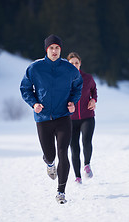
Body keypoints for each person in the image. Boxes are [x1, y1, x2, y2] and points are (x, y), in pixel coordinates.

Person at [20, 35, 83, 204]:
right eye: (51, 48)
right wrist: (34, 104)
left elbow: (78, 87)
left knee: (63, 153)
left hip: (63, 117)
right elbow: (25, 88)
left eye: (57, 48)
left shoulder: (69, 69)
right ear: (46, 50)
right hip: (43, 118)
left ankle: (61, 191)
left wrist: (72, 102)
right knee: (51, 155)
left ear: (60, 50)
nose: (54, 51)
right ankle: (49, 163)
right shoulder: (35, 68)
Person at [67, 52, 97, 184]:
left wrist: (94, 100)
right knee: (74, 147)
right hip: (70, 120)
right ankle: (77, 177)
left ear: (80, 64)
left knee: (86, 141)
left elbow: (94, 90)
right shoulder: (63, 79)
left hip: (87, 117)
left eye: (76, 63)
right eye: (71, 63)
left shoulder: (88, 78)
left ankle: (87, 165)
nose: (74, 65)